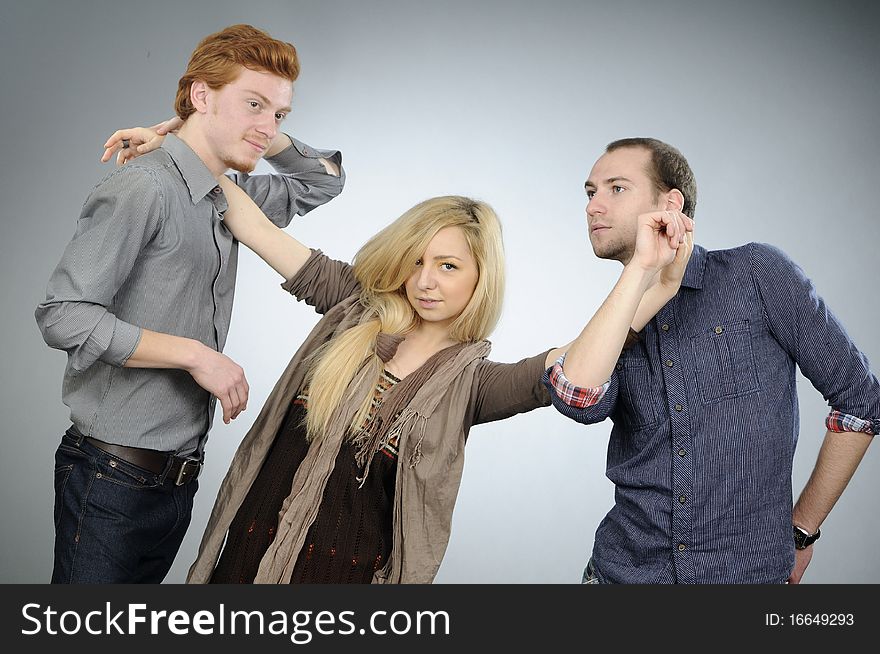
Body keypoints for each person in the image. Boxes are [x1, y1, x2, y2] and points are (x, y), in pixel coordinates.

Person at [35, 24, 344, 583]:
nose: (269, 125)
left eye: (280, 114)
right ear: (202, 94)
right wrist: (197, 356)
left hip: (175, 481)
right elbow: (63, 315)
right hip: (111, 473)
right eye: (253, 103)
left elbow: (323, 181)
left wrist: (248, 128)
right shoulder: (146, 187)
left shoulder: (231, 197)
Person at [178, 179, 574, 584]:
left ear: (480, 278)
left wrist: (641, 277)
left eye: (448, 266)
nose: (425, 281)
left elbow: (576, 369)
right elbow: (257, 230)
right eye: (416, 261)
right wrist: (188, 152)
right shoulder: (354, 307)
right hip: (249, 557)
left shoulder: (474, 384)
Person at [544, 137, 878, 584]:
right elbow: (576, 399)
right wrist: (644, 274)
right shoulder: (612, 321)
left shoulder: (757, 275)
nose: (593, 206)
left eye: (615, 189)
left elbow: (861, 402)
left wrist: (801, 531)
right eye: (590, 193)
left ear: (670, 203)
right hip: (620, 579)